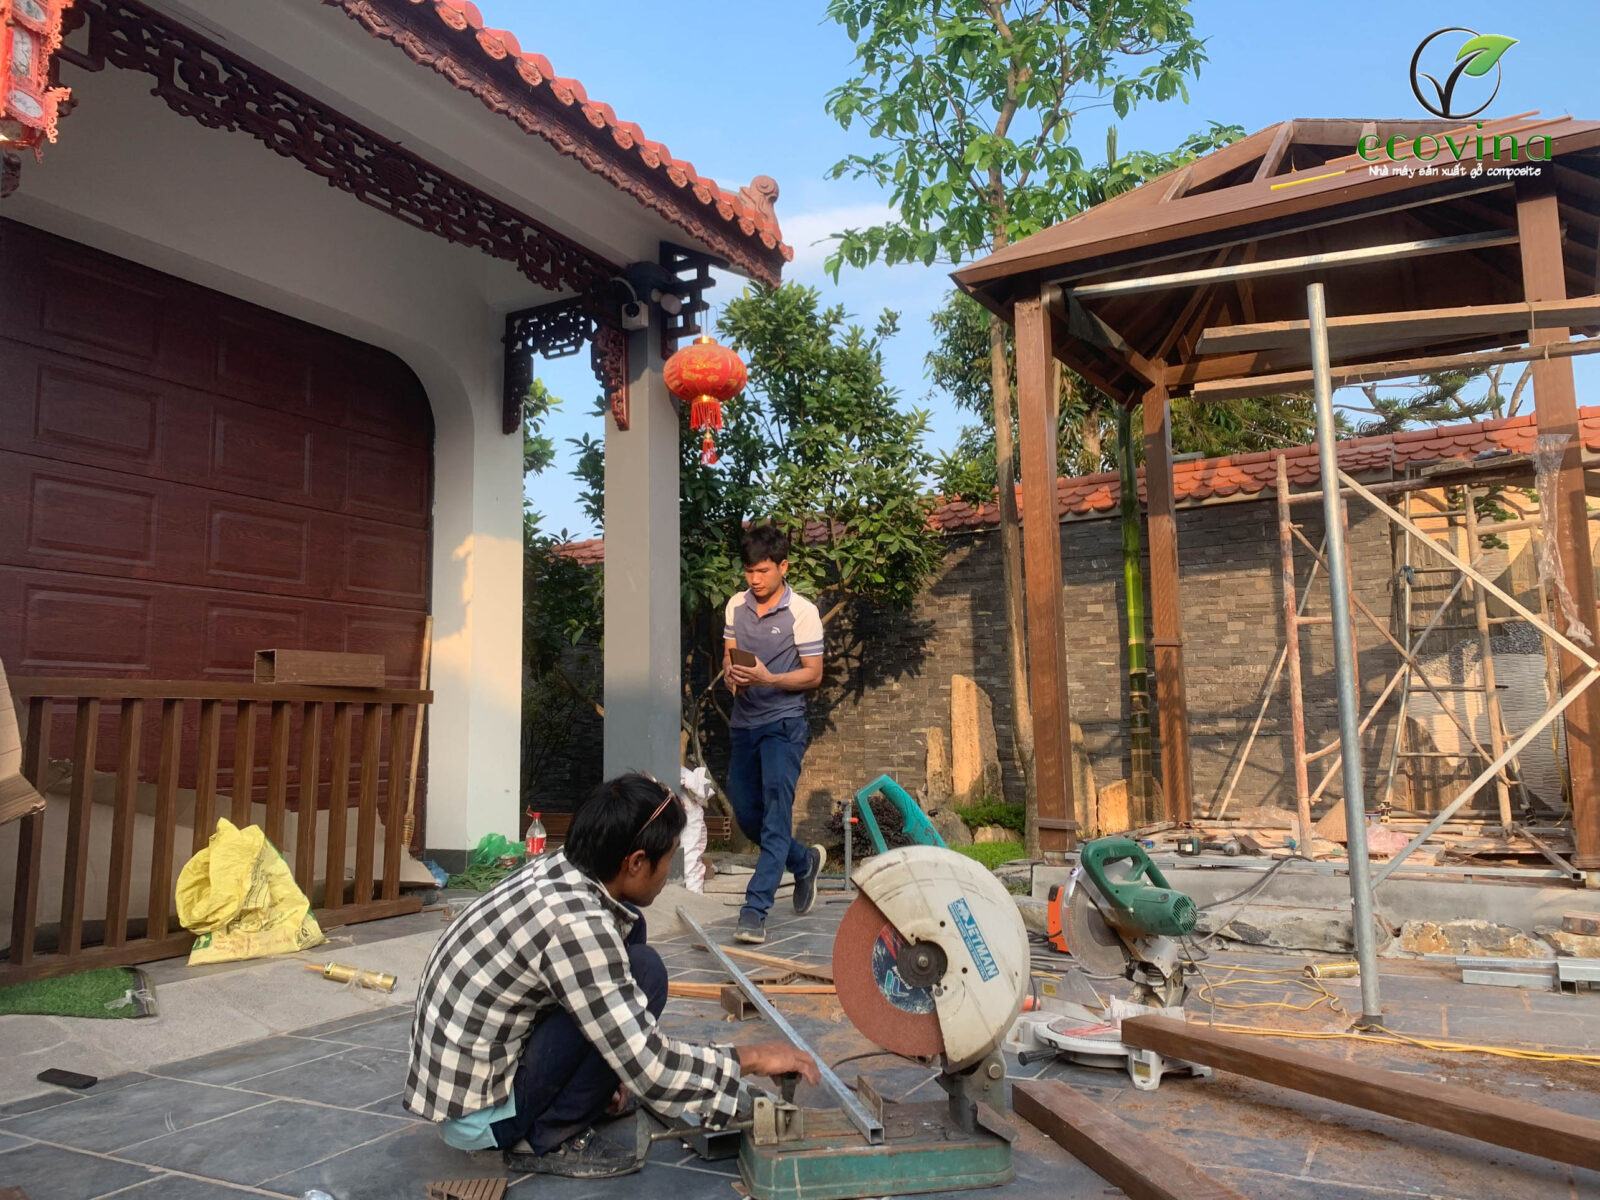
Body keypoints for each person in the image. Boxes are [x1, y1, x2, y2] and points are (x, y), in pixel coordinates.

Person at [404, 773, 819, 1179]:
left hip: (470, 1083)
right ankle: (547, 1136)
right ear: (636, 862)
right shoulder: (578, 926)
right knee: (644, 973)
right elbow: (652, 1068)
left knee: (630, 931)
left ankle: (580, 1095)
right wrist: (753, 1057)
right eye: (669, 857)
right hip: (483, 1115)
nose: (669, 870)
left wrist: (612, 1070)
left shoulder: (564, 868)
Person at [723, 523, 826, 945]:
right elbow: (729, 659)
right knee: (748, 815)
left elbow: (813, 675)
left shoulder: (802, 612)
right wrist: (733, 677)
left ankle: (755, 910)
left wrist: (769, 678)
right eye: (749, 571)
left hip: (784, 724)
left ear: (783, 567)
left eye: (763, 571)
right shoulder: (735, 606)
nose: (755, 579)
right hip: (744, 723)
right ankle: (802, 862)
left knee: (776, 814)